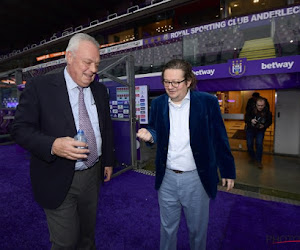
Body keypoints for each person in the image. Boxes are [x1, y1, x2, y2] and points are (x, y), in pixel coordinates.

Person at [12, 33, 114, 249]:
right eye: (88, 62)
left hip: (92, 176)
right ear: (69, 57)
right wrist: (52, 145)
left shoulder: (100, 90)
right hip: (56, 176)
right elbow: (19, 129)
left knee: (87, 237)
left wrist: (108, 161)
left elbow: (105, 128)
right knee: (65, 243)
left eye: (97, 64)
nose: (94, 70)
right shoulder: (40, 87)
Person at [137, 59, 236, 250]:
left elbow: (219, 138)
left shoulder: (207, 102)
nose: (170, 87)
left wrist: (228, 170)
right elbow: (156, 131)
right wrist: (150, 136)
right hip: (166, 178)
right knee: (167, 228)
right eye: (166, 82)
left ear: (189, 81)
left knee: (197, 230)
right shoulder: (158, 104)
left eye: (176, 82)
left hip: (196, 178)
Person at [245, 97, 272, 168]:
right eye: (258, 105)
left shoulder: (267, 111)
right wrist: (251, 120)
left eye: (262, 106)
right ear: (256, 104)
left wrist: (264, 125)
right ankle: (253, 157)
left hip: (260, 130)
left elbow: (269, 121)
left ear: (264, 105)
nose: (260, 107)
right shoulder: (251, 109)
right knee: (249, 144)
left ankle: (259, 161)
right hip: (250, 129)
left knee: (259, 144)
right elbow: (246, 118)